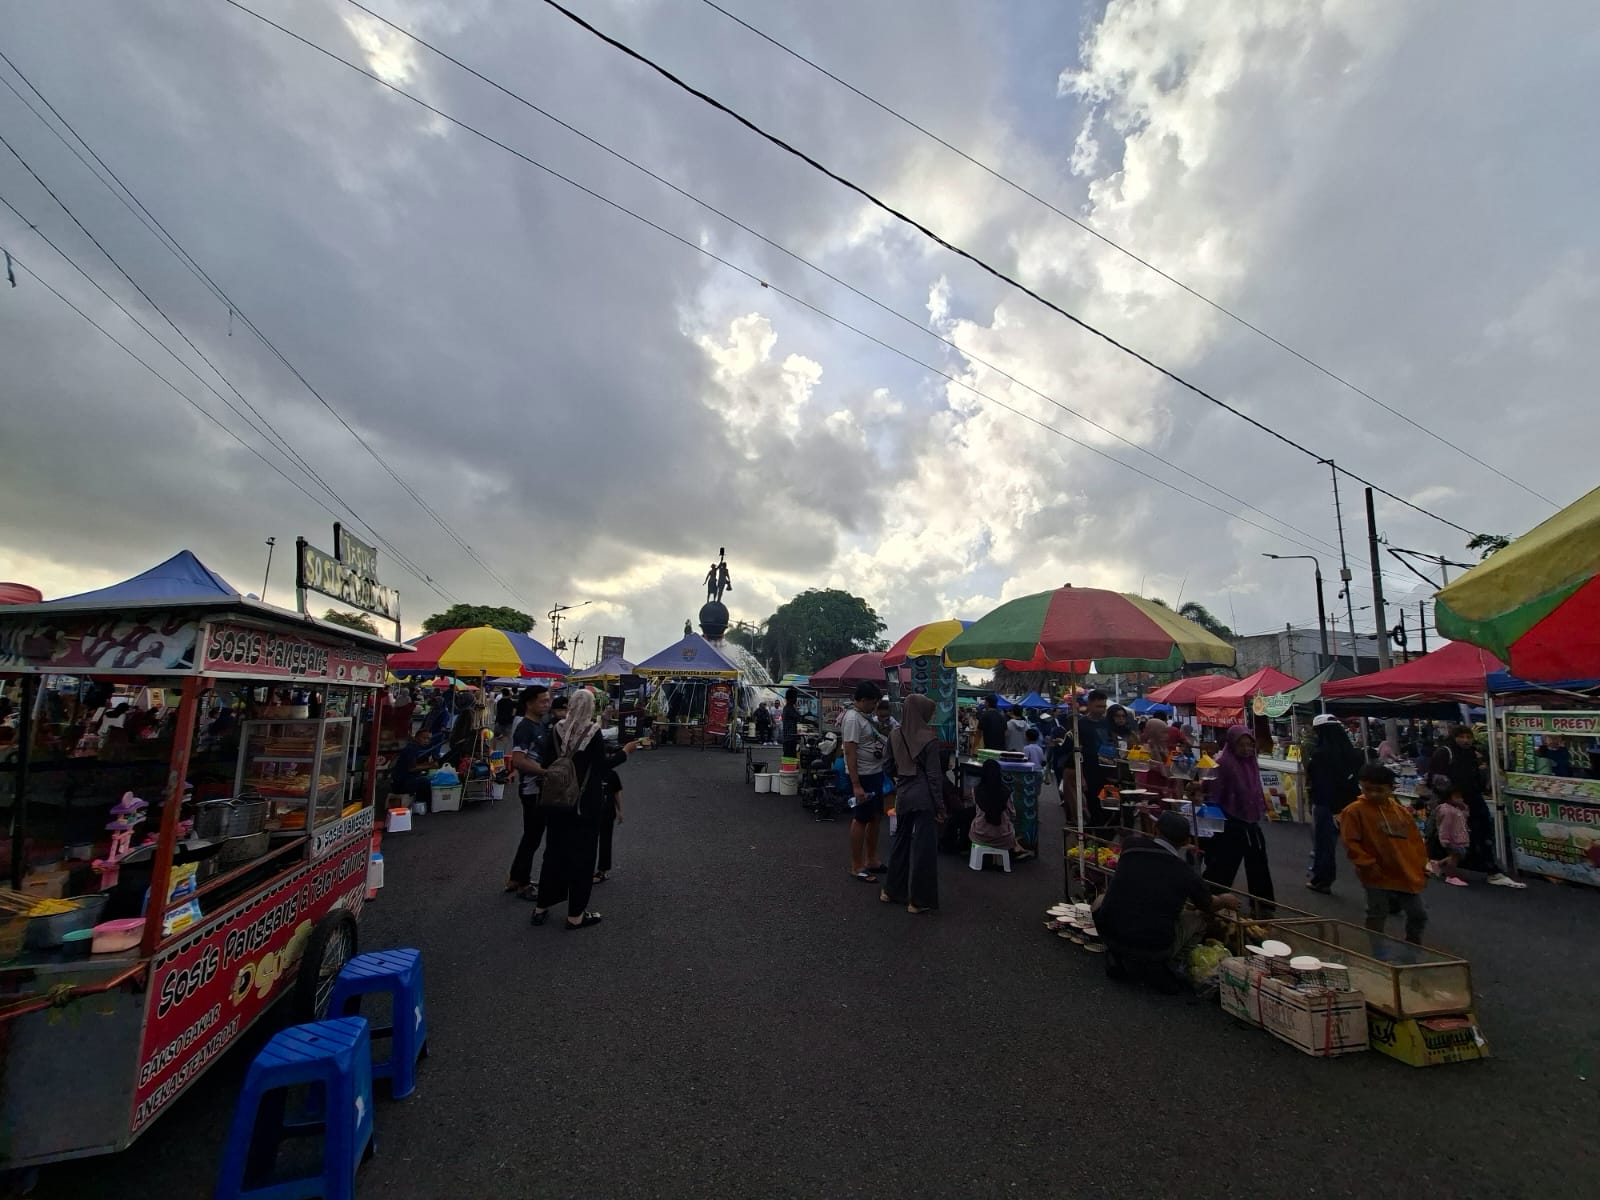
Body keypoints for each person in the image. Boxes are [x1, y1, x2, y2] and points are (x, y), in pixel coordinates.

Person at [1095, 811, 1241, 990]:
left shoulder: (1131, 846)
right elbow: (1208, 905)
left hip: (1109, 933)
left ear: (1155, 829)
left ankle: (1119, 954)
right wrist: (1225, 900)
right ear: (1187, 840)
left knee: (1101, 899)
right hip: (1154, 946)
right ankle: (1175, 965)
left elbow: (1153, 867)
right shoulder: (1185, 872)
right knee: (1199, 918)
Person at [531, 689, 637, 931]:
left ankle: (541, 907)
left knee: (553, 853)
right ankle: (575, 915)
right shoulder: (592, 732)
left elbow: (547, 763)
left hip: (555, 802)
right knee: (582, 856)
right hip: (583, 805)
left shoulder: (557, 729)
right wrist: (625, 752)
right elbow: (602, 767)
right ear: (590, 707)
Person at [1339, 763, 1429, 945]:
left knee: (1418, 914)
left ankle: (1413, 944)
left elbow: (1415, 842)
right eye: (1367, 789)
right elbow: (1350, 842)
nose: (1372, 794)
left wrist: (1422, 866)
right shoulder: (1354, 811)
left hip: (1406, 872)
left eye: (1378, 790)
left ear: (1391, 788)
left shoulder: (1401, 812)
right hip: (1375, 874)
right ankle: (1376, 948)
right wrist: (1366, 864)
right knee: (1377, 912)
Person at [1430, 725, 1525, 887]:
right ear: (1454, 737)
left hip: (1473, 799)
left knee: (1479, 832)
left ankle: (1490, 870)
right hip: (1453, 803)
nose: (1466, 740)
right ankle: (1450, 870)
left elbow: (1479, 775)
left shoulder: (1474, 754)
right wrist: (1452, 796)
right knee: (1455, 838)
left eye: (1468, 737)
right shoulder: (1445, 752)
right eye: (1462, 737)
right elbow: (1436, 778)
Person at [880, 694, 944, 913]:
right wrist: (940, 806)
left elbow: (887, 765)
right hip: (924, 796)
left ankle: (891, 890)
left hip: (903, 794)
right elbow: (935, 777)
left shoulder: (894, 735)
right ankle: (918, 901)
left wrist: (901, 778)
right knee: (923, 847)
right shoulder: (930, 738)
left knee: (900, 842)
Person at [1201, 725, 1275, 910]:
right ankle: (1207, 902)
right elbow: (1212, 792)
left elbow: (1255, 790)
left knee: (1259, 867)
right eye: (1241, 745)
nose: (1246, 749)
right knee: (1223, 867)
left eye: (1249, 745)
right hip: (1229, 823)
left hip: (1251, 823)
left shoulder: (1251, 762)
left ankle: (1263, 907)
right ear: (1232, 744)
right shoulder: (1223, 763)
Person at [1305, 713, 1362, 895]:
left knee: (1324, 845)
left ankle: (1322, 880)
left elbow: (1321, 785)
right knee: (1360, 845)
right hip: (1352, 804)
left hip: (1327, 806)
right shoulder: (1352, 753)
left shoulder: (1321, 755)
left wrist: (1330, 808)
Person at [505, 686, 553, 898]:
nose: (547, 704)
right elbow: (518, 761)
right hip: (532, 790)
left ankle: (515, 878)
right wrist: (545, 772)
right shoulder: (525, 727)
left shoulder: (539, 725)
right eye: (542, 701)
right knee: (532, 837)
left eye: (548, 700)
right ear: (529, 703)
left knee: (531, 837)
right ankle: (523, 884)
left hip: (537, 789)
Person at [842, 681, 889, 881]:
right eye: (872, 702)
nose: (875, 706)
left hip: (875, 772)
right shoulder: (853, 719)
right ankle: (856, 865)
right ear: (862, 700)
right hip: (862, 775)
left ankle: (871, 859)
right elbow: (850, 752)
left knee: (876, 816)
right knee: (861, 818)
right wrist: (856, 784)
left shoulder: (865, 717)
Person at [969, 760, 1033, 860]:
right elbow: (1013, 815)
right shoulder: (1006, 791)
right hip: (1003, 838)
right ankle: (1016, 849)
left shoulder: (976, 790)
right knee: (1009, 826)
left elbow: (976, 808)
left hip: (979, 835)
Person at [1428, 785, 1472, 886]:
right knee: (1454, 858)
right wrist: (1445, 839)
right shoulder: (1447, 810)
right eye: (1457, 797)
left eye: (1461, 797)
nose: (1460, 799)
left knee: (1456, 856)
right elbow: (1444, 826)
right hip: (1452, 839)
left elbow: (1464, 817)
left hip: (1460, 837)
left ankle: (1438, 864)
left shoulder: (1456, 809)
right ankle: (1451, 876)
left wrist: (1464, 808)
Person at [391, 727, 438, 813]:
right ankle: (428, 807)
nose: (426, 741)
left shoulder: (417, 748)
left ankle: (421, 803)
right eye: (424, 738)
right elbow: (411, 768)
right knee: (425, 781)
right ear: (416, 738)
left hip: (407, 780)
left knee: (430, 778)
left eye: (428, 739)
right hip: (401, 783)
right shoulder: (411, 749)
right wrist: (430, 766)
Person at [594, 767, 623, 884]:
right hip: (591, 812)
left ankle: (602, 871)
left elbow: (617, 791)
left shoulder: (611, 774)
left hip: (607, 813)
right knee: (588, 842)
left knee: (605, 842)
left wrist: (620, 810)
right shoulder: (590, 771)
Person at [1138, 718, 1178, 799]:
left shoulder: (1165, 749)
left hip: (1165, 793)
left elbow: (1172, 771)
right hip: (1151, 793)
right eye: (1163, 733)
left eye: (1167, 733)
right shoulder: (1144, 750)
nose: (1167, 736)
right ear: (1153, 732)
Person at [781, 688, 801, 759]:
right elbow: (799, 718)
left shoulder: (789, 708)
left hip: (790, 738)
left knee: (791, 758)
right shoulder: (789, 708)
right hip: (789, 738)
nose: (796, 699)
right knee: (790, 758)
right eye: (795, 697)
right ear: (790, 698)